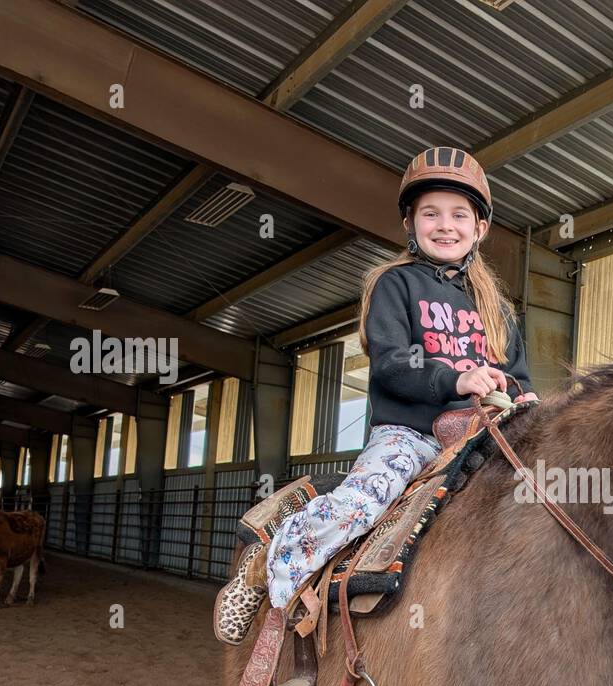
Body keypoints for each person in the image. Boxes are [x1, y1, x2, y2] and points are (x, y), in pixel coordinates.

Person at [214, 147, 537, 644]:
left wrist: (527, 402)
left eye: (459, 215)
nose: (445, 225)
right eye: (431, 214)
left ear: (480, 228)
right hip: (411, 436)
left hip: (480, 439)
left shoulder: (496, 307)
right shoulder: (394, 284)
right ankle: (271, 562)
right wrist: (456, 380)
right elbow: (390, 363)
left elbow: (518, 378)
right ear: (411, 222)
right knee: (360, 507)